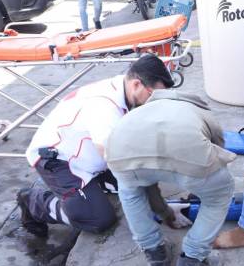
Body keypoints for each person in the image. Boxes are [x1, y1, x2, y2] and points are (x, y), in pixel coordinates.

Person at [17, 55, 178, 238]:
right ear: (136, 84)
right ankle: (34, 203)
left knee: (139, 183)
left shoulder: (125, 90)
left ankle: (91, 189)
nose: (154, 101)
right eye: (153, 95)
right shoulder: (104, 107)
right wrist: (162, 208)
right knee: (98, 218)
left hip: (88, 155)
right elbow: (116, 160)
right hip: (59, 161)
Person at [105, 90, 236, 266]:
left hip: (120, 158)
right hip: (190, 159)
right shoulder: (201, 112)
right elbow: (218, 155)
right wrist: (200, 186)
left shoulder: (138, 111)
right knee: (219, 193)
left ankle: (156, 259)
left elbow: (147, 182)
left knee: (130, 190)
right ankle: (191, 263)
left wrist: (165, 212)